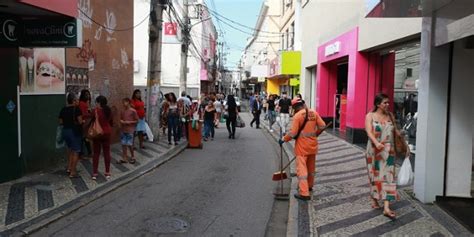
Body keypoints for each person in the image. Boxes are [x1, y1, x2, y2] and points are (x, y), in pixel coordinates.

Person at [279, 98, 326, 201]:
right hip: (313, 145)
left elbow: (293, 133)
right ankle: (309, 186)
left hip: (302, 147)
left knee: (302, 169)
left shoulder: (297, 116)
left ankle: (304, 193)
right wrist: (315, 135)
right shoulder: (313, 112)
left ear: (295, 107)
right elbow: (322, 126)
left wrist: (284, 139)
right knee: (311, 168)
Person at [365, 93, 399, 219]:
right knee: (374, 175)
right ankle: (374, 198)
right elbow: (368, 131)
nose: (387, 105)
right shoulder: (370, 116)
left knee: (388, 176)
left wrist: (403, 147)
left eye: (388, 102)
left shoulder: (390, 116)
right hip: (373, 150)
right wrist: (376, 143)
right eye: (385, 102)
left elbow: (396, 132)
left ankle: (386, 207)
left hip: (389, 150)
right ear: (378, 104)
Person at [59, 93, 83, 178]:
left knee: (70, 150)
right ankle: (73, 172)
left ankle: (69, 167)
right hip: (74, 132)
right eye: (76, 100)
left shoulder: (63, 109)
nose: (78, 101)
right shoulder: (77, 110)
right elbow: (80, 121)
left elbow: (61, 122)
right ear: (73, 101)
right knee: (76, 151)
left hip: (65, 131)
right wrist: (82, 122)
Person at [91, 95, 113, 180]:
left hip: (97, 133)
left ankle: (95, 173)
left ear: (99, 103)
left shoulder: (95, 111)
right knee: (107, 152)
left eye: (96, 102)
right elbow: (111, 122)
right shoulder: (108, 111)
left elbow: (91, 120)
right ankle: (107, 172)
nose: (95, 104)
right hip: (107, 133)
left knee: (96, 153)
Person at [119, 98, 139, 164]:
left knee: (130, 144)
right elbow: (120, 119)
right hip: (123, 129)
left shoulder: (133, 111)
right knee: (123, 144)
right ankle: (124, 157)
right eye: (123, 102)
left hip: (130, 130)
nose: (124, 103)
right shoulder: (122, 111)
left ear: (129, 102)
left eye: (125, 102)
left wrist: (129, 122)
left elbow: (137, 120)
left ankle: (133, 156)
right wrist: (121, 121)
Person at [78, 89, 92, 159]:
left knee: (86, 138)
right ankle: (82, 153)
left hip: (87, 122)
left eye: (88, 94)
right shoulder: (81, 103)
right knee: (84, 138)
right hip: (83, 122)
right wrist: (90, 114)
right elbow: (83, 114)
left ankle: (88, 152)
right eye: (86, 94)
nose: (88, 96)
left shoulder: (86, 103)